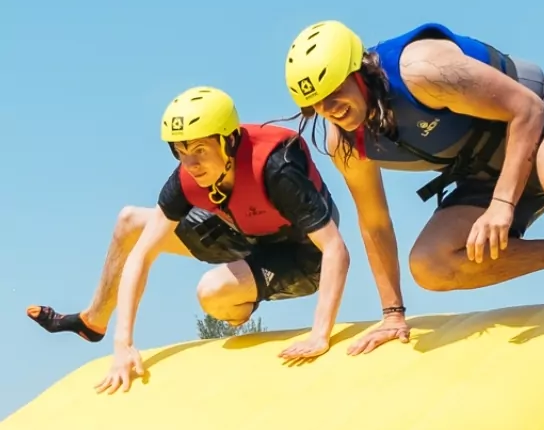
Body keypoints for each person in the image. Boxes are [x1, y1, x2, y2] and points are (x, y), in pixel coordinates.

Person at [283, 20, 544, 373]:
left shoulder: (424, 71)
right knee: (429, 265)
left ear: (359, 71)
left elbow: (528, 109)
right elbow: (374, 221)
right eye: (315, 104)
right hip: (485, 171)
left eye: (334, 92)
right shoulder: (346, 143)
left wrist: (502, 204)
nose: (328, 109)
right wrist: (392, 314)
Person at [27, 87, 350, 393]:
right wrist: (122, 344)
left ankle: (241, 301)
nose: (191, 164)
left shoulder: (278, 170)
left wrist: (320, 334)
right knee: (130, 221)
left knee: (212, 293)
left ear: (230, 142)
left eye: (199, 150)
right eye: (181, 152)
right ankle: (93, 321)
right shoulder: (184, 178)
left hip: (302, 255)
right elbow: (141, 256)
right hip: (246, 232)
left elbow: (335, 248)